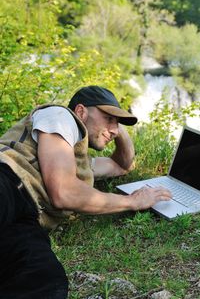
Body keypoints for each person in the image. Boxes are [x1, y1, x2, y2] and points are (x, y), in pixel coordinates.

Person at [0, 85, 172, 298]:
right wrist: (132, 202)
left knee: (45, 279)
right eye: (109, 118)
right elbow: (64, 192)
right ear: (81, 111)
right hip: (7, 181)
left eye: (116, 123)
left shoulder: (78, 163)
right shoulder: (60, 116)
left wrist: (117, 126)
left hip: (27, 218)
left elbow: (123, 165)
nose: (115, 129)